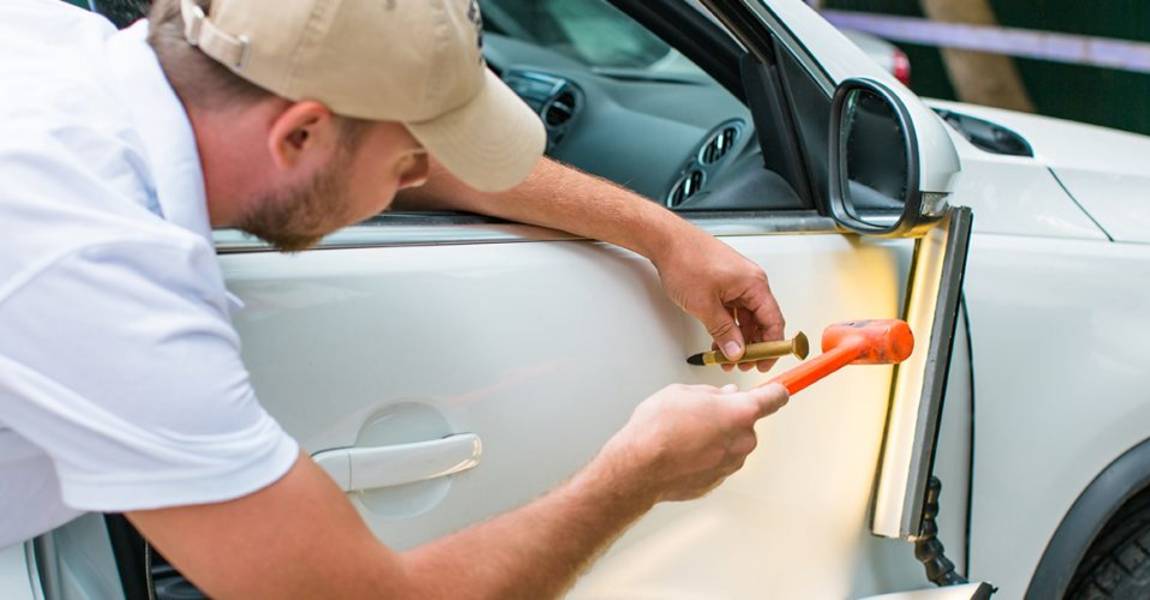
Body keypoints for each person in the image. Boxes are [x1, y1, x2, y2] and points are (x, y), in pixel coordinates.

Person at [0, 0, 790, 596]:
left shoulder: (56, 45)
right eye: (410, 159)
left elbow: (369, 147)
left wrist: (663, 235)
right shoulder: (99, 268)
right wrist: (637, 476)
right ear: (299, 136)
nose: (416, 181)